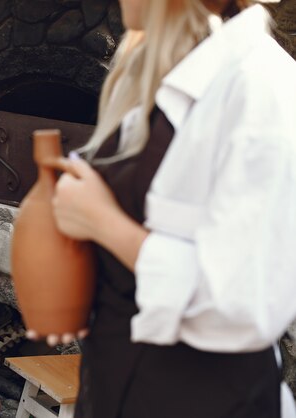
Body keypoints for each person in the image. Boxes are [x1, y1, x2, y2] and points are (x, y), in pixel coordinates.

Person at [36, 0, 296, 417]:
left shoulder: (260, 82)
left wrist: (104, 223)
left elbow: (244, 306)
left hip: (203, 401)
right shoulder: (154, 73)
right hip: (112, 386)